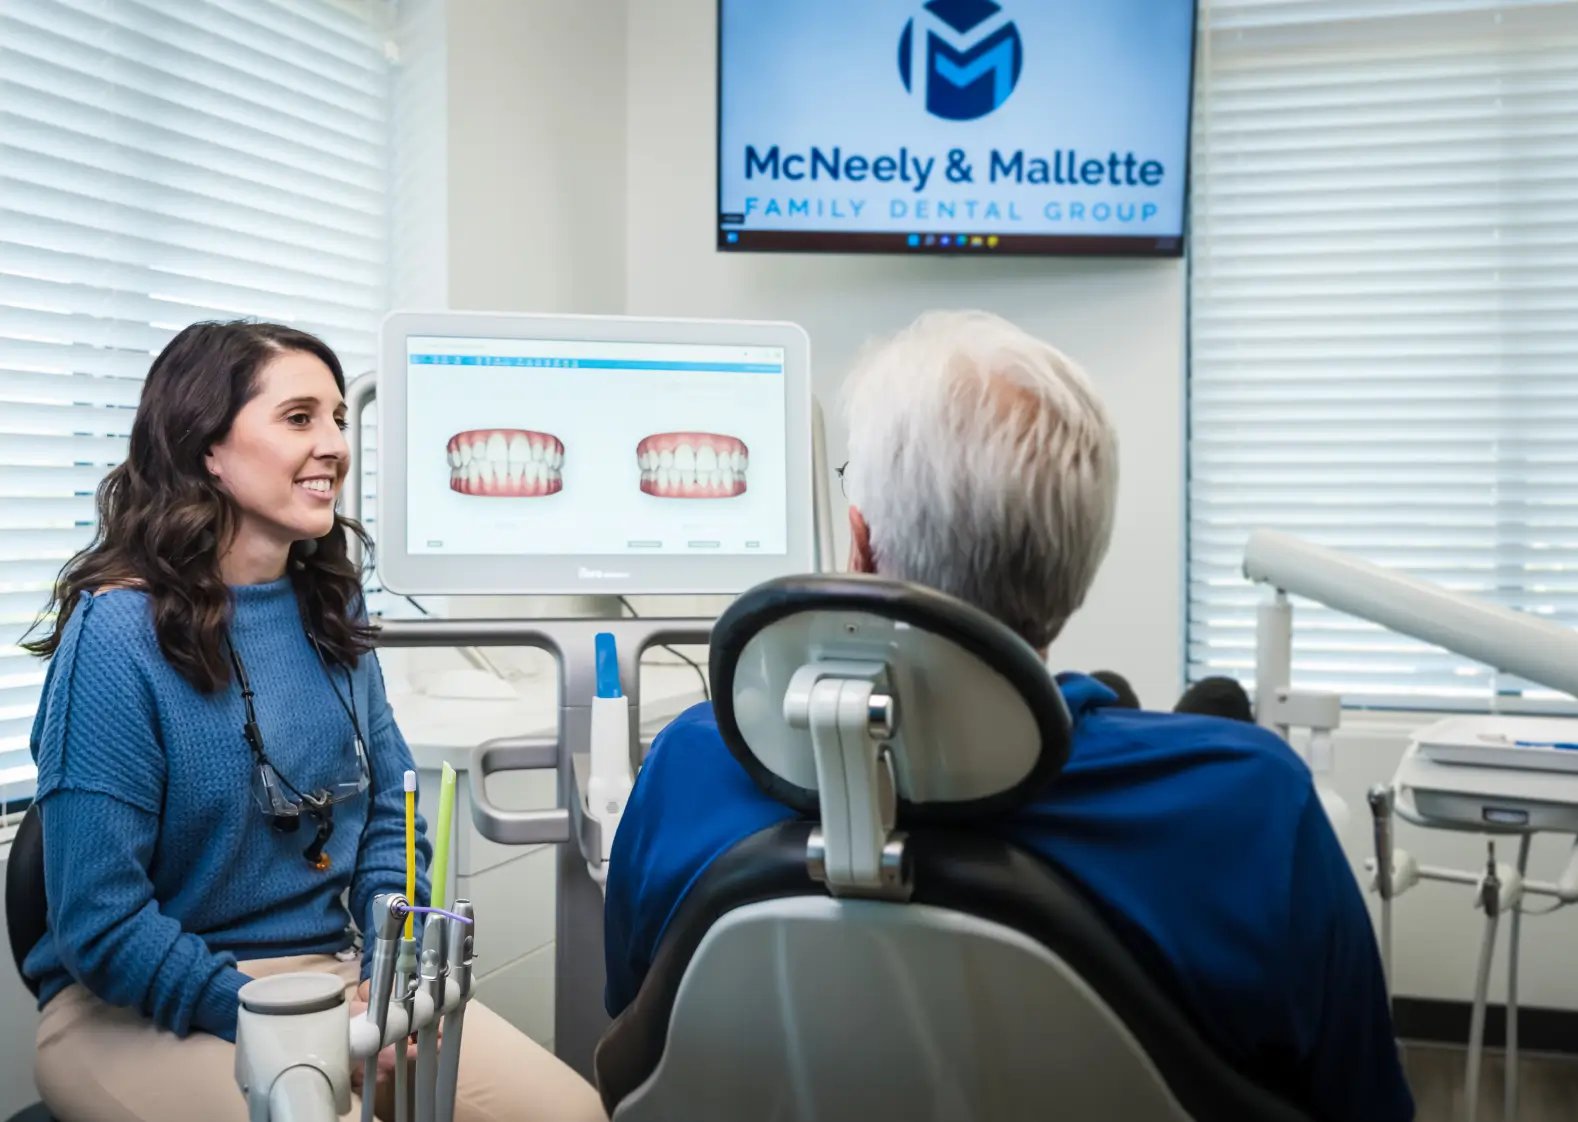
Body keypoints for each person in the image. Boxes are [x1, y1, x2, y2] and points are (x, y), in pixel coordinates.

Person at [603, 310, 1414, 1122]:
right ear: (1079, 565)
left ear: (861, 547)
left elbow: (631, 1038)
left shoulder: (693, 765)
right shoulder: (1250, 807)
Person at [22, 322, 604, 1122]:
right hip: (135, 1008)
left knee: (569, 1111)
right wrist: (273, 1019)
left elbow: (393, 822)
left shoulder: (330, 604)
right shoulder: (116, 637)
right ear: (206, 451)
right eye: (300, 418)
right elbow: (101, 923)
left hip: (333, 978)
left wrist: (386, 966)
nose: (335, 443)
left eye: (337, 417)